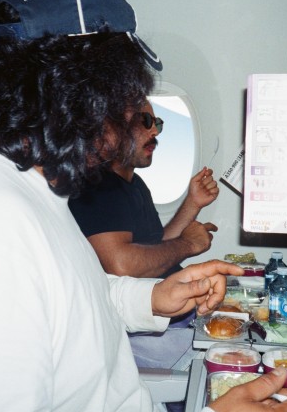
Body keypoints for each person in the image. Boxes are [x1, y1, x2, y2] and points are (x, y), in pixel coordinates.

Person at [0, 0, 287, 412]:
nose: (130, 114)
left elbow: (69, 299)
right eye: (124, 96)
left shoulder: (35, 188)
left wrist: (151, 298)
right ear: (81, 93)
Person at [69, 98, 219, 280]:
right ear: (112, 128)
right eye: (145, 121)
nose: (155, 131)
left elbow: (156, 245)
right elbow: (121, 265)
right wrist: (188, 244)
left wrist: (193, 203)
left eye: (157, 124)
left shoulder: (135, 184)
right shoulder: (97, 187)